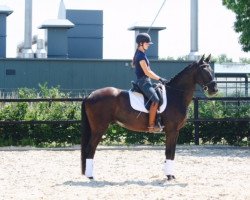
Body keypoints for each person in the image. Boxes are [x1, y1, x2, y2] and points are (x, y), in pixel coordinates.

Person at [132, 32, 167, 132]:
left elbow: (148, 71)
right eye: (147, 43)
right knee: (155, 100)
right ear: (141, 43)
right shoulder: (140, 56)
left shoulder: (141, 55)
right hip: (143, 82)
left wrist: (159, 79)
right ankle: (151, 126)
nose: (148, 45)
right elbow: (147, 72)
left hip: (146, 81)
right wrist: (160, 79)